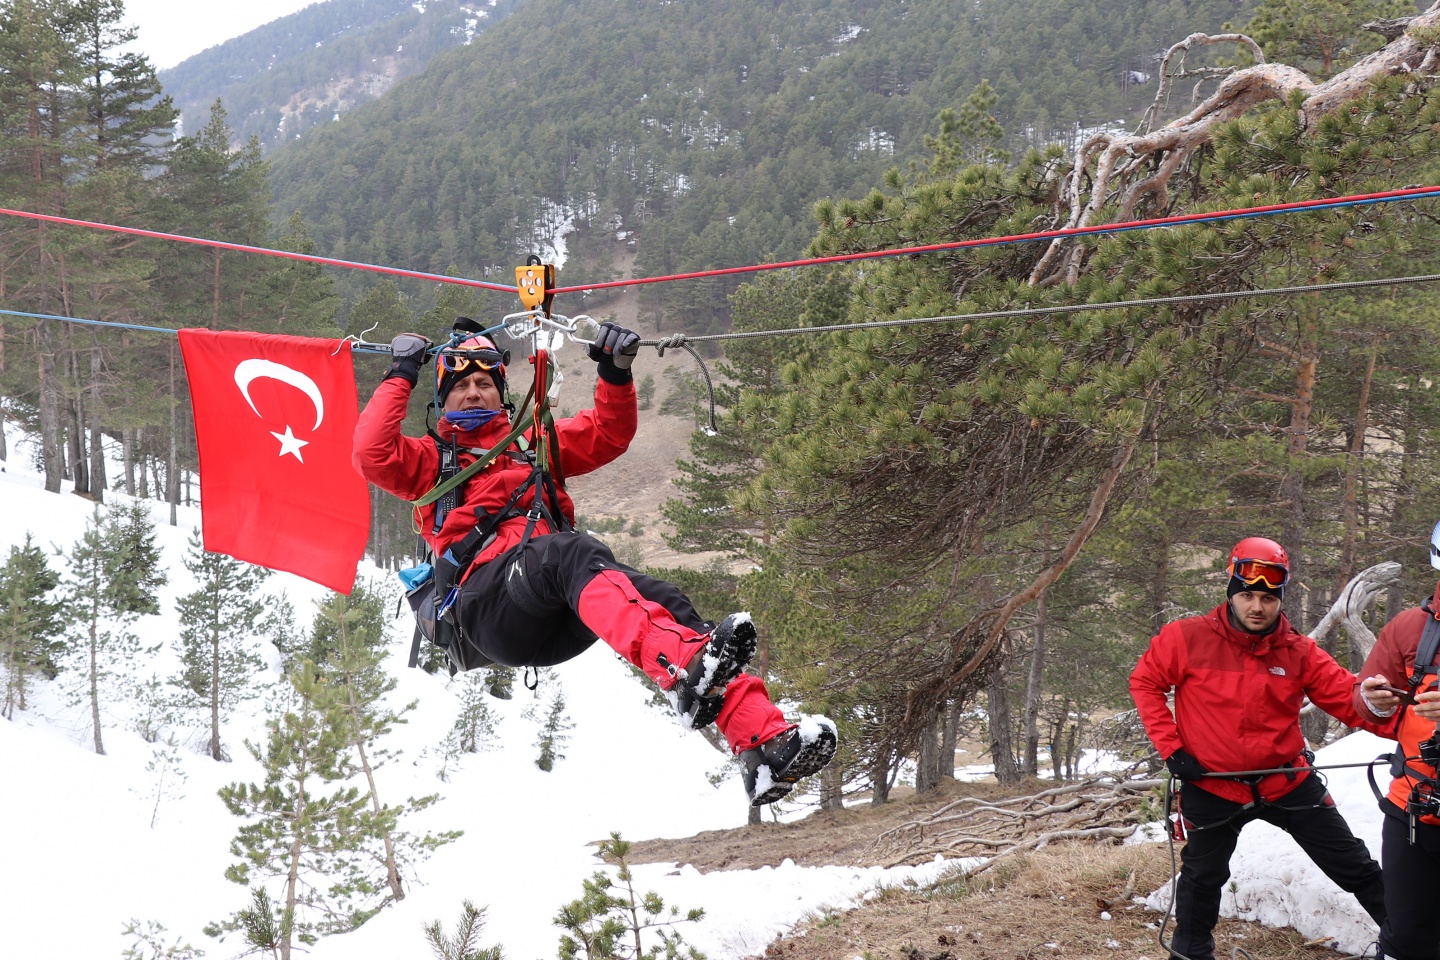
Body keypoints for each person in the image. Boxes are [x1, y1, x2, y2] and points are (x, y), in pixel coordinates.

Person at [352, 318, 837, 806]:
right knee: (572, 552)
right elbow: (371, 453)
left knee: (663, 600)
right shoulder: (430, 459)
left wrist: (615, 372)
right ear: (442, 400)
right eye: (461, 386)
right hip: (488, 606)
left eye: (484, 384)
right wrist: (400, 374)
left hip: (557, 610)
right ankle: (682, 667)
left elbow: (608, 433)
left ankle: (761, 743)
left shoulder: (532, 445)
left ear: (501, 394)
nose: (474, 393)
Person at [1129, 536, 1388, 960]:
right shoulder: (1186, 638)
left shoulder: (1299, 651)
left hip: (1287, 781)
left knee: (1354, 864)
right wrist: (1171, 749)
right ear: (1232, 593)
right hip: (1212, 784)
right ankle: (1190, 953)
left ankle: (1411, 941)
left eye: (1267, 598)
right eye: (1247, 595)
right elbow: (1145, 682)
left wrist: (1395, 718)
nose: (1256, 607)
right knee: (1202, 876)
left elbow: (1352, 700)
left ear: (1279, 601)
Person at [1353, 520, 1440, 960]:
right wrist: (1375, 700)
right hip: (1413, 811)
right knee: (1407, 938)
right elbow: (1369, 710)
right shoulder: (1408, 628)